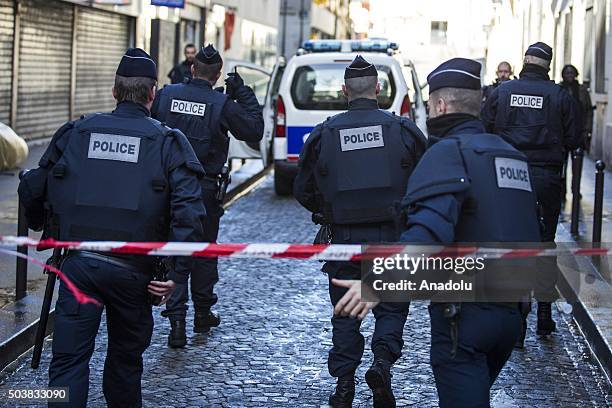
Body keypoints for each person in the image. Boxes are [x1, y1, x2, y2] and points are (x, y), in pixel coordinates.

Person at [331, 57, 541, 408]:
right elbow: (532, 231)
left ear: (441, 106)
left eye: (429, 105)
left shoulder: (447, 152)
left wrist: (377, 283)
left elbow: (429, 232)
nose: (428, 111)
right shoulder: (511, 156)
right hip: (511, 317)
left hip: (465, 318)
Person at [17, 48, 206, 407]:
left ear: (114, 90)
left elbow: (35, 185)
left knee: (68, 364)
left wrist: (41, 223)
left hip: (78, 267)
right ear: (152, 94)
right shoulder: (168, 142)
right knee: (124, 366)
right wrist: (178, 275)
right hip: (135, 274)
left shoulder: (76, 132)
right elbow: (189, 214)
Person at [294, 55, 427, 408]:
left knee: (345, 312)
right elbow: (427, 181)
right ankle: (382, 365)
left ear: (343, 92)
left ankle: (344, 385)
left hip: (344, 242)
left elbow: (302, 189)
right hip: (394, 239)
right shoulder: (403, 130)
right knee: (392, 309)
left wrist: (329, 211)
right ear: (379, 90)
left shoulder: (325, 133)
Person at [151, 44, 264, 348]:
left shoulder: (165, 95)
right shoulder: (220, 103)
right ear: (216, 76)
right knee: (202, 251)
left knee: (173, 248)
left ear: (192, 69)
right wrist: (242, 92)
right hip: (203, 191)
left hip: (164, 189)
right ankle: (202, 313)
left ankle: (176, 321)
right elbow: (254, 130)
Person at [481, 42, 580, 342]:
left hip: (505, 175)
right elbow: (575, 139)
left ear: (524, 62)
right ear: (547, 65)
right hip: (545, 178)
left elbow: (483, 128)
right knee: (544, 244)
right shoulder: (560, 96)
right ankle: (544, 314)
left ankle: (517, 315)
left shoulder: (502, 92)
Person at [559, 64, 593, 150]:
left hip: (579, 129)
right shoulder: (558, 88)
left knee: (578, 156)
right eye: (567, 73)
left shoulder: (582, 89)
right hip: (563, 130)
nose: (570, 75)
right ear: (563, 75)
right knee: (561, 159)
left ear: (575, 74)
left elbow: (589, 110)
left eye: (572, 73)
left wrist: (587, 129)